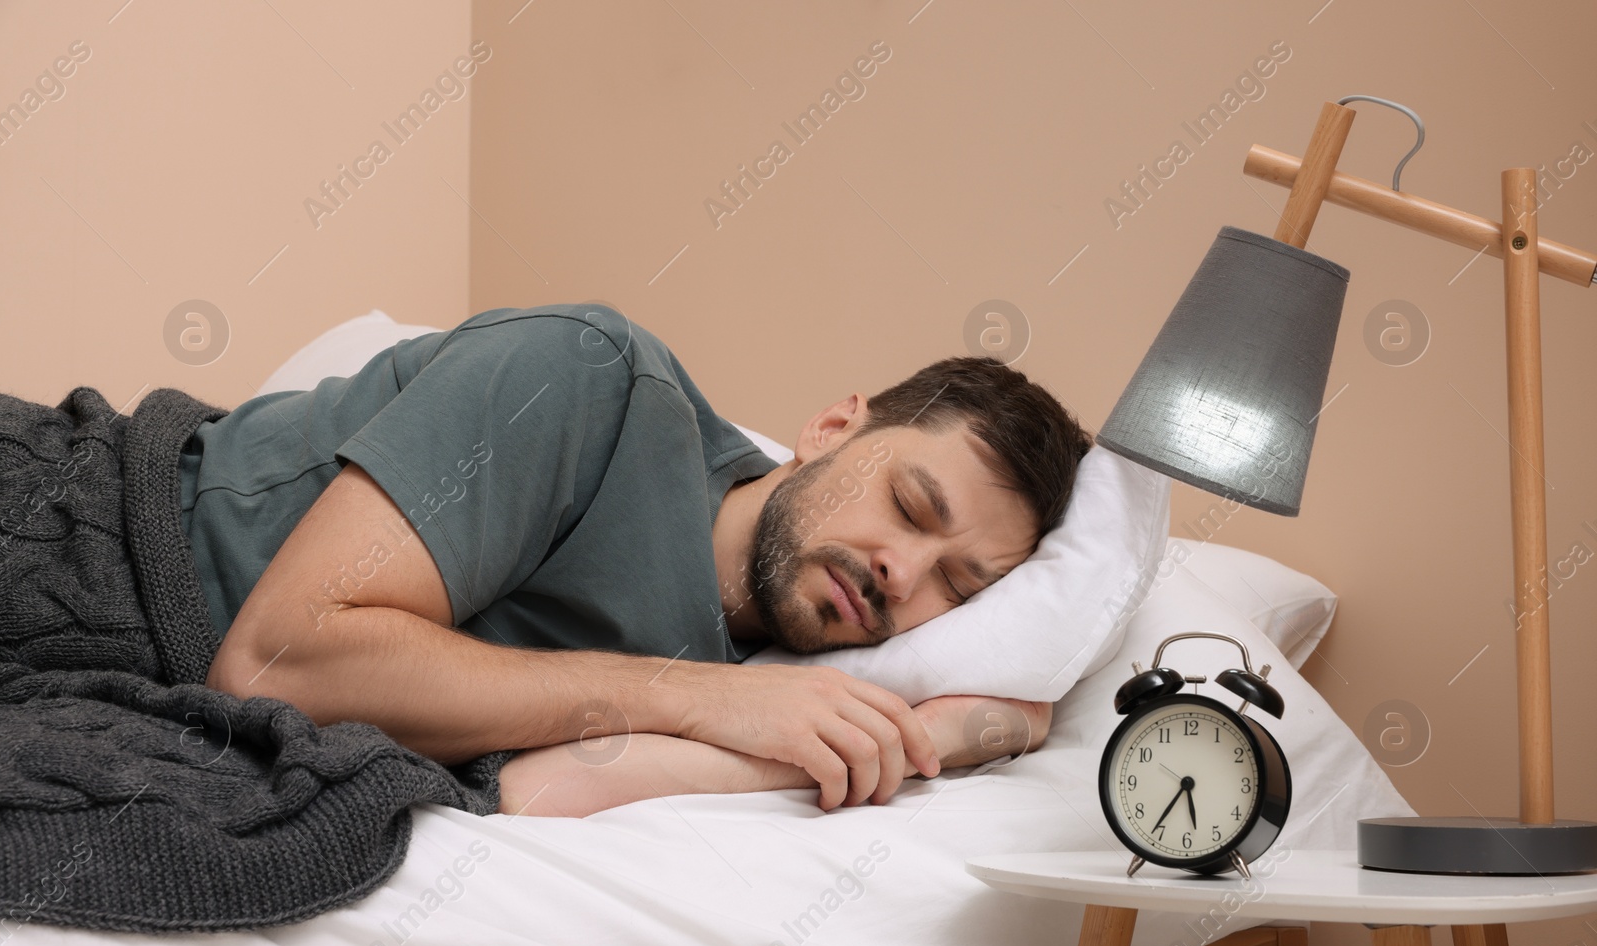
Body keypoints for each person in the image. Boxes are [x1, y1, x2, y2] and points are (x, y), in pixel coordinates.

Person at [189, 304, 1092, 816]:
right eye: (907, 505)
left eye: (957, 586)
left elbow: (532, 798)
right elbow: (273, 661)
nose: (906, 573)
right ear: (829, 429)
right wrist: (695, 697)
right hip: (87, 528)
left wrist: (921, 737)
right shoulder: (592, 375)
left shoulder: (761, 672)